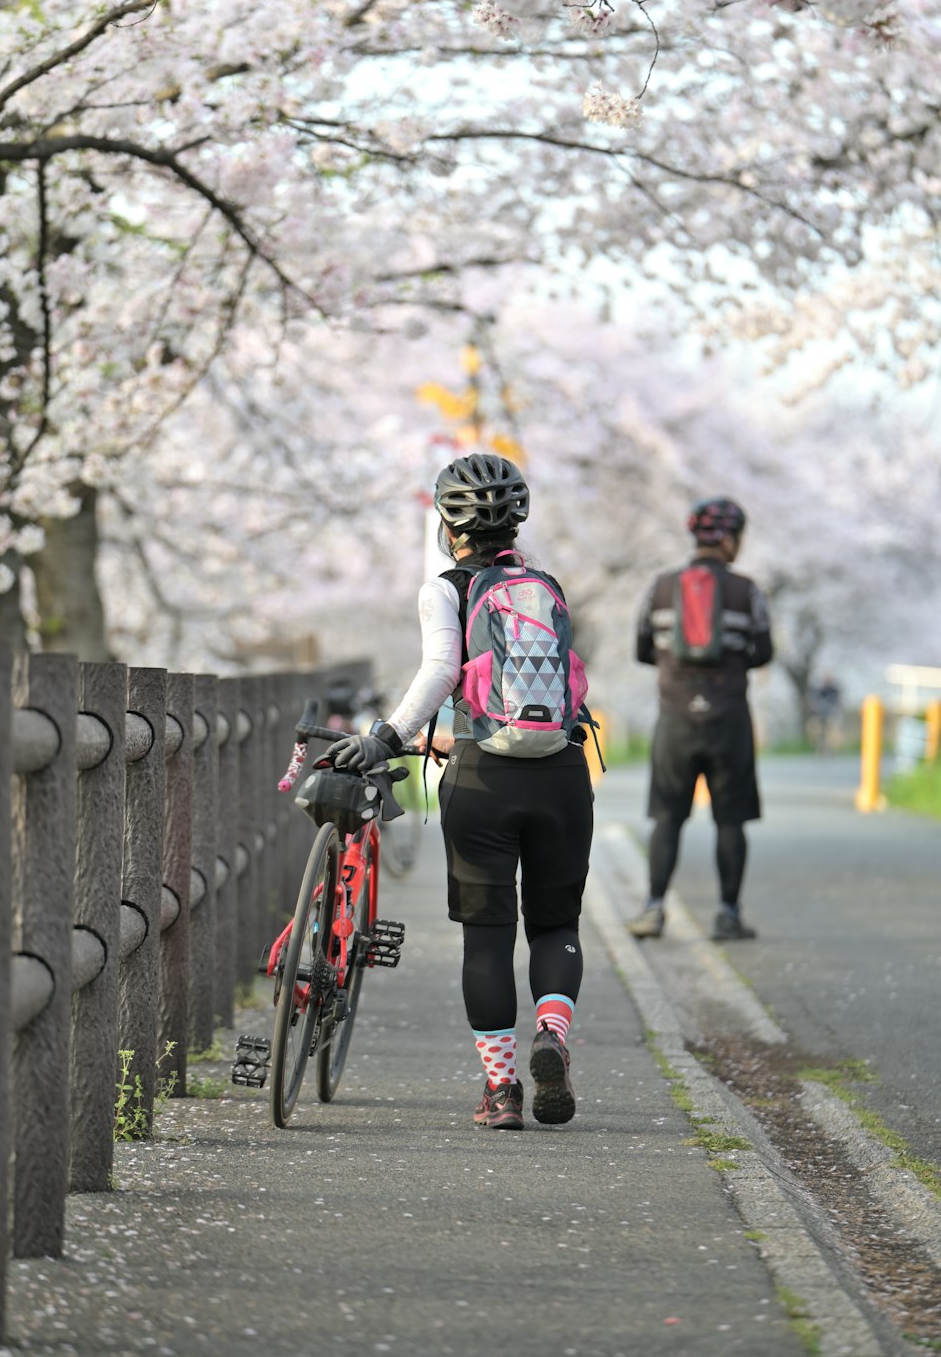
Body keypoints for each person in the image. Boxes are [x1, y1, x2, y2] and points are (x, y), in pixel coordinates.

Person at [329, 452, 594, 1131]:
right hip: (563, 772)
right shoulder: (545, 584)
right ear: (517, 520)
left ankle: (503, 1089)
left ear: (450, 528)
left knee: (487, 935)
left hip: (482, 778)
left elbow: (444, 669)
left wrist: (388, 736)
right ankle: (553, 1034)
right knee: (555, 923)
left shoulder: (443, 587)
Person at [627, 496, 773, 943]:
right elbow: (763, 652)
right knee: (731, 821)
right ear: (728, 540)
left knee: (668, 818)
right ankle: (728, 915)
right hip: (729, 719)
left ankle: (653, 910)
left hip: (675, 721)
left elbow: (642, 649)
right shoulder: (747, 590)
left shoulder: (661, 586)